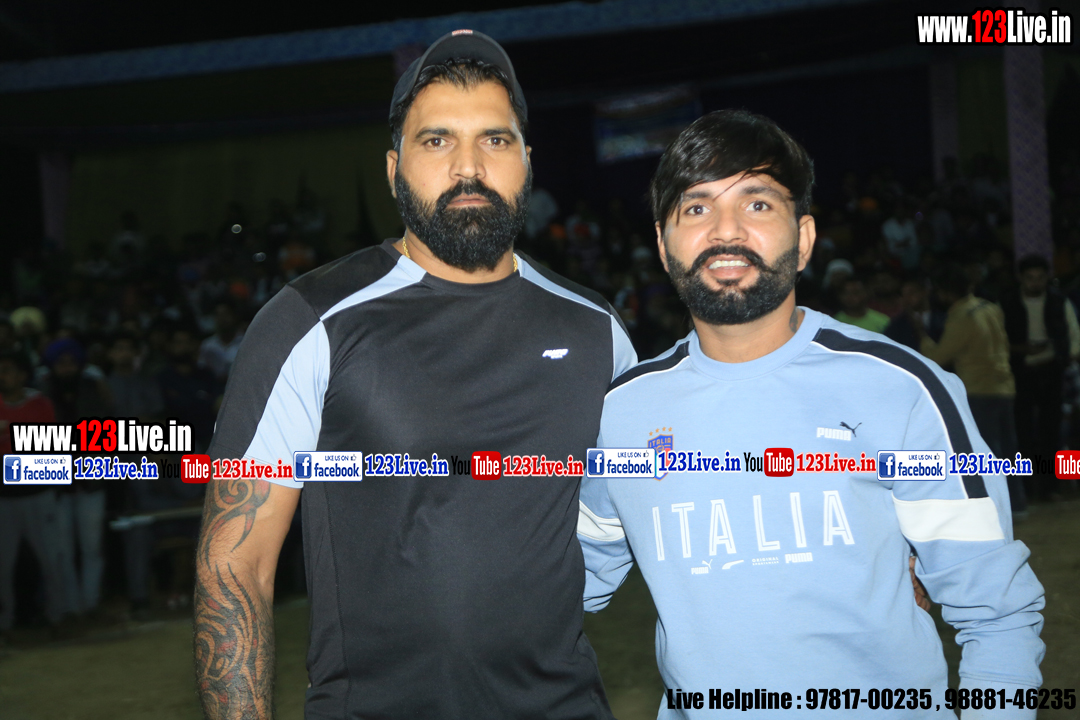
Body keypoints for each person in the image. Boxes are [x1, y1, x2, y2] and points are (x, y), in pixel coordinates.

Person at [194, 30, 634, 720]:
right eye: (437, 141)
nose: (468, 167)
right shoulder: (309, 321)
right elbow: (234, 566)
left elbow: (616, 513)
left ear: (527, 160)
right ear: (394, 168)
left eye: (494, 139)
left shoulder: (597, 331)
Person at [578, 110, 1044, 718]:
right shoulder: (622, 412)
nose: (725, 230)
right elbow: (568, 579)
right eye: (695, 208)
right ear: (664, 247)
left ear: (804, 239)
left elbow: (998, 614)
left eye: (757, 203)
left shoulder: (899, 388)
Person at [916, 264, 1026, 515]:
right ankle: (1018, 503)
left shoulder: (962, 317)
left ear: (944, 293)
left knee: (987, 452)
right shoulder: (990, 307)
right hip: (1004, 385)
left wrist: (921, 334)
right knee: (1008, 449)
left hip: (978, 389)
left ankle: (999, 506)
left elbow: (938, 356)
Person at [1001, 254, 1080, 502]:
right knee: (1022, 431)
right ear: (1021, 278)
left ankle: (1049, 487)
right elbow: (999, 340)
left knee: (1051, 431)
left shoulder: (1059, 301)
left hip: (1052, 370)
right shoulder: (1008, 303)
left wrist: (1067, 356)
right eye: (1030, 278)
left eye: (1039, 278)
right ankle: (1025, 487)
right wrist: (1021, 350)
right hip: (1020, 371)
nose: (1035, 283)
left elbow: (1074, 335)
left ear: (1047, 278)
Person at [0, 351, 67, 638]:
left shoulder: (40, 404)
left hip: (39, 494)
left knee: (51, 559)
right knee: (3, 566)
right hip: (4, 500)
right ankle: (5, 624)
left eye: (8, 370)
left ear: (22, 375)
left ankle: (57, 618)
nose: (3, 376)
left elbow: (52, 448)